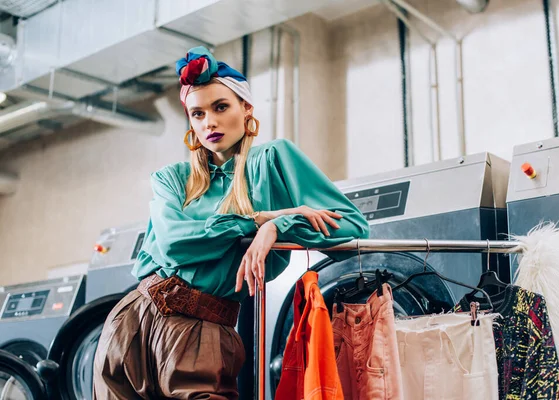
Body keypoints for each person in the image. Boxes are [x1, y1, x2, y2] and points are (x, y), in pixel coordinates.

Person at [92, 46, 369, 399]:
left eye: (221, 107)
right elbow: (175, 244)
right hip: (132, 320)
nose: (209, 122)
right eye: (197, 113)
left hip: (203, 327)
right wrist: (256, 220)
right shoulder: (172, 179)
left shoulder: (273, 160)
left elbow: (354, 229)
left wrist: (278, 227)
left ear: (246, 108)